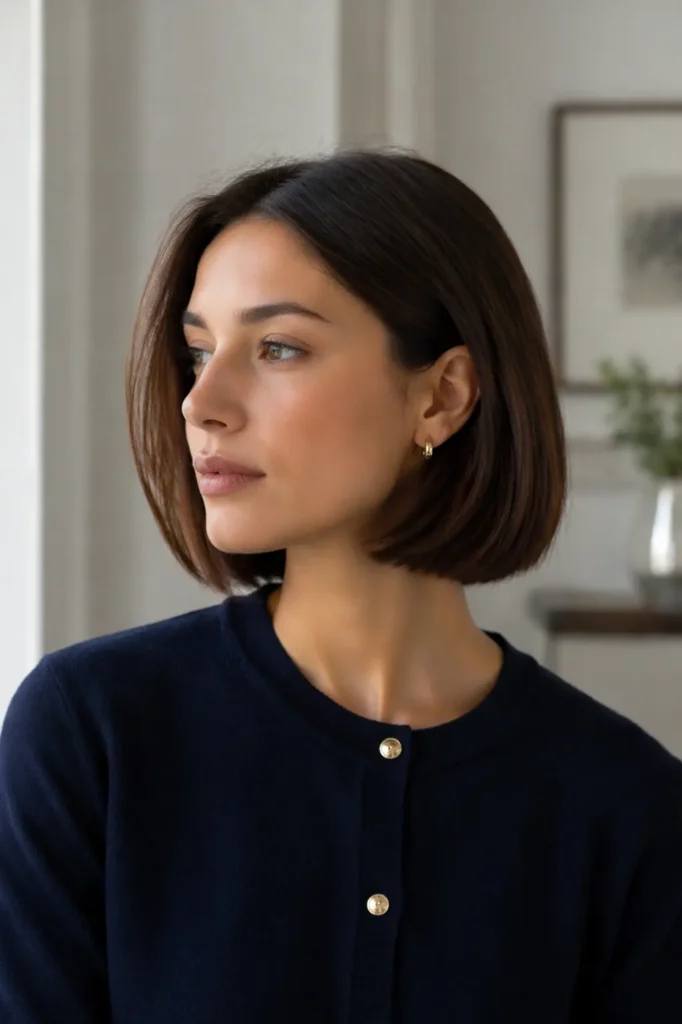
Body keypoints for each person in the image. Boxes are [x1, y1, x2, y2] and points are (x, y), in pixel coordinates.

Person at [1, 150, 681, 1024]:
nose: (200, 402)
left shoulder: (626, 805)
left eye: (278, 348)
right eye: (199, 351)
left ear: (441, 397)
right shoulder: (92, 731)